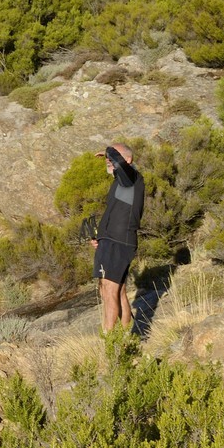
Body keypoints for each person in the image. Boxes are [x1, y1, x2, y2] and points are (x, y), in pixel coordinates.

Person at [91, 143, 144, 334]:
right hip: (110, 240)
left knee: (109, 290)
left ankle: (110, 342)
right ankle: (125, 339)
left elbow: (118, 161)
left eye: (114, 156)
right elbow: (116, 214)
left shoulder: (132, 177)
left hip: (120, 241)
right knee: (114, 291)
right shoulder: (120, 183)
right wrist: (100, 237)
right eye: (108, 157)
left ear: (127, 160)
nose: (108, 160)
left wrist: (108, 151)